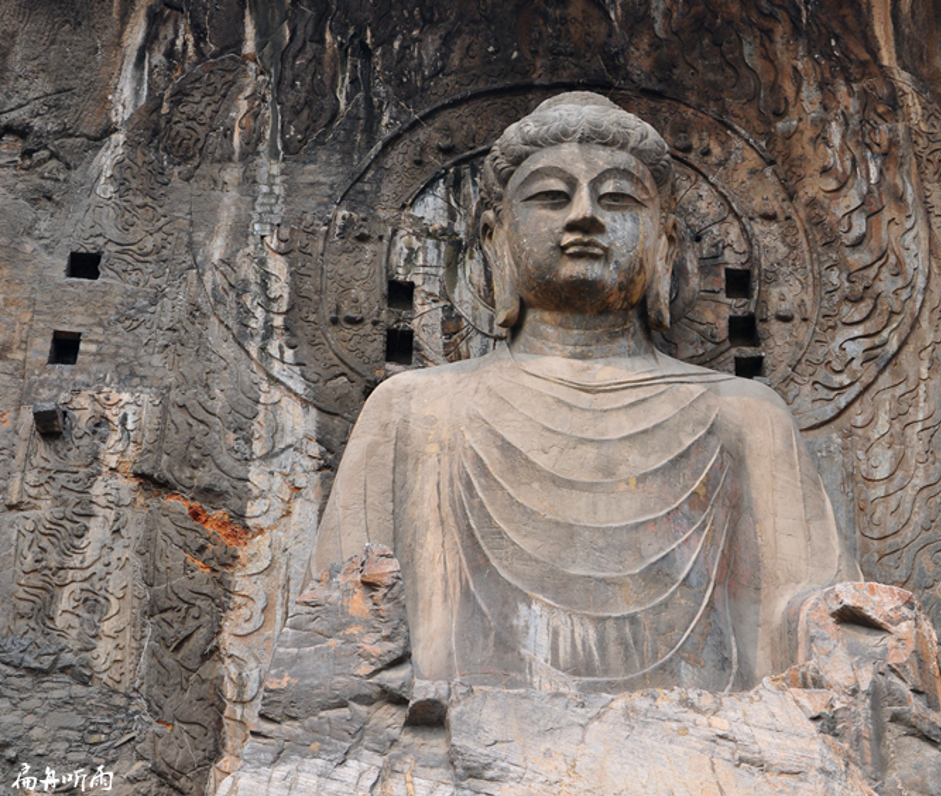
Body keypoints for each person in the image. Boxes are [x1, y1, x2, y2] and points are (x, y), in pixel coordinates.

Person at [307, 92, 859, 694]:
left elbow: (806, 608)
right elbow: (337, 624)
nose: (585, 216)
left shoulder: (746, 414)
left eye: (619, 197)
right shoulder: (414, 408)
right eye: (550, 197)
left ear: (664, 243)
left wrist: (855, 635)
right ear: (495, 239)